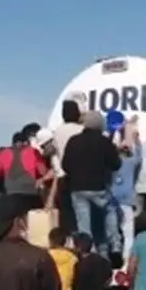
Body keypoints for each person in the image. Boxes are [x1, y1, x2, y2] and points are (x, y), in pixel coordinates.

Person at [61, 110, 123, 265]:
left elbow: (65, 165)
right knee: (110, 210)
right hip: (99, 188)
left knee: (85, 226)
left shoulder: (73, 141)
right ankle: (115, 244)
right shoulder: (103, 142)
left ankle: (86, 254)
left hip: (78, 189)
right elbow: (116, 164)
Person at [0, 133, 51, 215]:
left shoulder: (3, 153)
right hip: (31, 195)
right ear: (25, 142)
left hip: (11, 195)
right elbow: (43, 172)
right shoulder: (33, 151)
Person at [50, 100, 84, 234]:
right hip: (83, 175)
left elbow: (54, 156)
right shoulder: (82, 130)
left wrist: (59, 173)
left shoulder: (57, 132)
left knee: (68, 215)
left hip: (64, 176)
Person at [110, 118, 142, 258]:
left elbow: (109, 150)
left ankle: (113, 256)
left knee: (112, 231)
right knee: (128, 233)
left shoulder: (111, 165)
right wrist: (136, 140)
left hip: (112, 202)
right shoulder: (131, 162)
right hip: (127, 202)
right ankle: (126, 259)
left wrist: (114, 134)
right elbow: (140, 156)